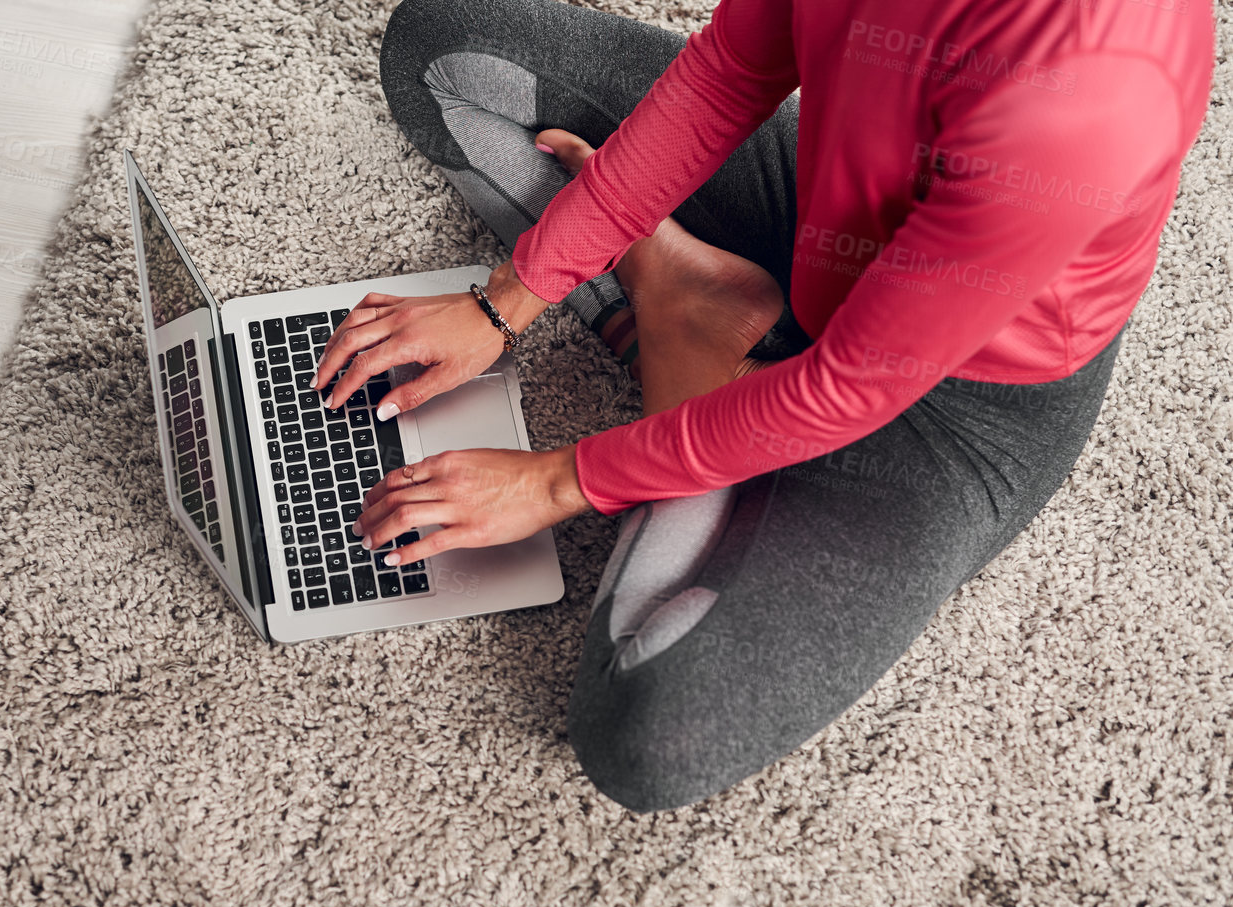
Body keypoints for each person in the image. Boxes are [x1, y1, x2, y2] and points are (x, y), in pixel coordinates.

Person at [308, 0, 1214, 812]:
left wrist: (557, 480)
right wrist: (505, 302)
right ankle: (695, 325)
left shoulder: (1093, 88)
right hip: (825, 212)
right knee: (444, 52)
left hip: (947, 409)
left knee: (649, 734)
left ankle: (681, 349)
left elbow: (848, 387)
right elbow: (727, 75)